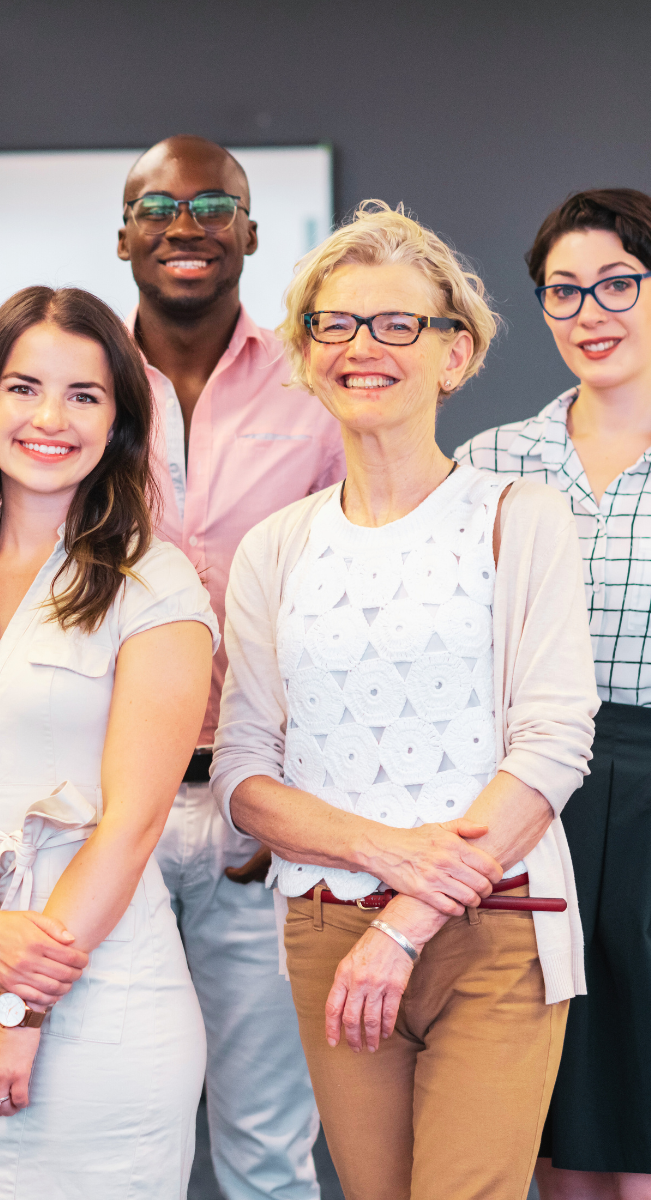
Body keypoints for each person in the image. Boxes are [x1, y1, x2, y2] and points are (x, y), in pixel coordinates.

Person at [213, 201, 600, 1200]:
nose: (361, 348)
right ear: (304, 354)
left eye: (397, 325)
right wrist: (375, 858)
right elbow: (244, 774)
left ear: (454, 354)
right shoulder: (275, 548)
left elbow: (551, 747)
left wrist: (404, 919)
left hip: (497, 920)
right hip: (325, 931)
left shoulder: (521, 517)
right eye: (333, 325)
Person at [0, 285, 216, 1196]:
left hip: (107, 1007)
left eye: (85, 396)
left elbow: (132, 825)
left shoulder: (159, 589)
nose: (50, 418)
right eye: (25, 388)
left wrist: (20, 1006)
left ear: (120, 424)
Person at [117, 134, 343, 1200]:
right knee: (111, 1130)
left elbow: (349, 596)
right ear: (123, 235)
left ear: (251, 232)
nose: (185, 225)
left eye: (215, 205)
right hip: (109, 808)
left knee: (263, 1145)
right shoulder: (79, 385)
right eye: (157, 205)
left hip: (262, 808)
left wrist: (292, 789)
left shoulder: (320, 387)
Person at [456, 188, 651, 1200]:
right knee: (549, 1115)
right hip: (531, 798)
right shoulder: (490, 464)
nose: (590, 311)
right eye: (563, 291)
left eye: (619, 281)